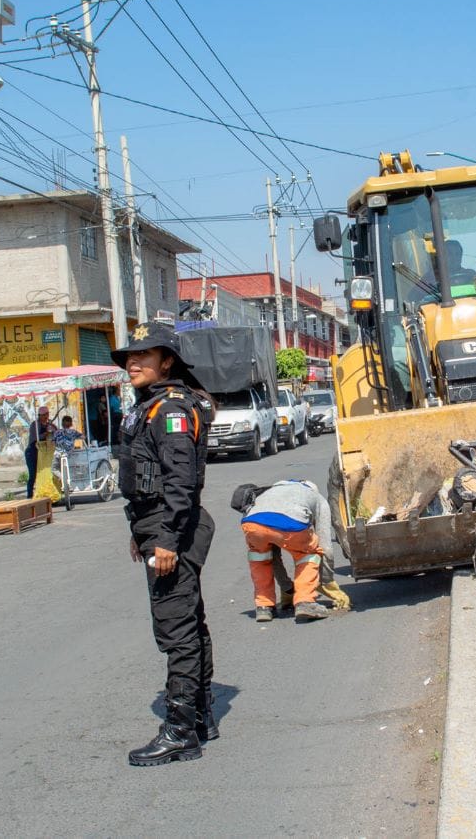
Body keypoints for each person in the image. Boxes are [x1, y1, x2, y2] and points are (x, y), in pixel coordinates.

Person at [112, 321, 217, 767]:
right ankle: (200, 718)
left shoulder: (171, 409)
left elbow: (181, 482)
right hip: (161, 528)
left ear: (167, 361)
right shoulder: (151, 406)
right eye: (129, 358)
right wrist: (143, 535)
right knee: (189, 622)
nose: (133, 363)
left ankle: (179, 732)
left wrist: (166, 539)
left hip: (176, 529)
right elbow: (145, 478)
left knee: (176, 630)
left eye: (144, 356)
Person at [233, 479, 339, 623]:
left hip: (252, 524)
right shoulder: (317, 498)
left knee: (261, 559)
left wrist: (287, 588)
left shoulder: (268, 492)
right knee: (308, 555)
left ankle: (264, 607)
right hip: (292, 523)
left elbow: (274, 557)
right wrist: (327, 581)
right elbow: (326, 547)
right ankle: (305, 602)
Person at [24, 406, 57, 499]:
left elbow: (56, 431)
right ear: (39, 415)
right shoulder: (35, 425)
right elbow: (35, 437)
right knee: (33, 474)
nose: (46, 416)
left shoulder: (48, 424)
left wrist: (52, 427)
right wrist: (46, 433)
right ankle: (29, 496)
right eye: (44, 415)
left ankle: (46, 493)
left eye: (47, 414)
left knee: (45, 474)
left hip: (43, 454)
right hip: (32, 453)